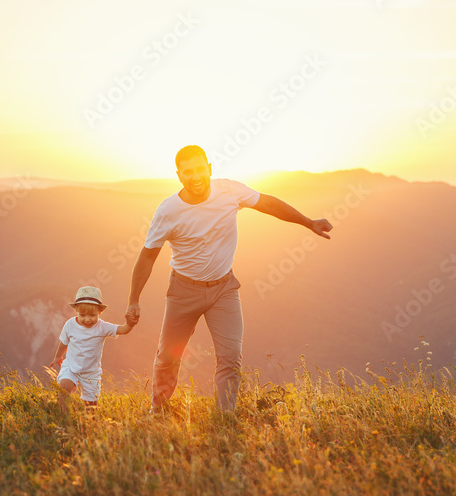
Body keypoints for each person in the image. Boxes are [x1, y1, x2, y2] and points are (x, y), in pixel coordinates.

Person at [125, 145, 333, 413]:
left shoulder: (230, 191)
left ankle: (226, 417)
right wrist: (133, 300)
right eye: (188, 172)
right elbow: (147, 257)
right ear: (179, 175)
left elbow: (268, 203)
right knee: (167, 358)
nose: (196, 176)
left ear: (209, 169)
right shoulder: (168, 211)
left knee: (230, 358)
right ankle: (159, 411)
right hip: (183, 291)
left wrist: (308, 222)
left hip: (224, 290)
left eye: (201, 169)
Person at [49, 286, 137, 413]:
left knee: (91, 405)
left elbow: (122, 330)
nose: (87, 319)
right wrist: (58, 356)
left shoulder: (102, 327)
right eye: (82, 315)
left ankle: (90, 423)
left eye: (92, 315)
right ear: (76, 312)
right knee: (64, 386)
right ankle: (64, 414)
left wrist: (130, 323)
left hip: (91, 372)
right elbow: (64, 342)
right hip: (71, 366)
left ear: (100, 312)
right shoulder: (70, 324)